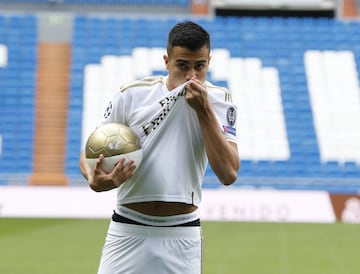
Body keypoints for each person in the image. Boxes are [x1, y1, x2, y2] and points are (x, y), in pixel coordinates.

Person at [79, 20, 240, 274]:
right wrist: (94, 178)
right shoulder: (131, 95)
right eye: (182, 65)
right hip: (127, 228)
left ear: (209, 61)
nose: (191, 76)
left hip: (182, 234)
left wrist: (204, 111)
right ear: (167, 61)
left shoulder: (220, 100)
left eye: (200, 66)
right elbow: (90, 151)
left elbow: (229, 173)